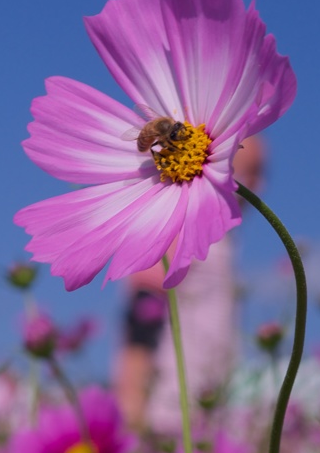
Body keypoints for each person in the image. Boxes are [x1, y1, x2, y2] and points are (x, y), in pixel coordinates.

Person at [112, 135, 267, 433]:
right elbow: (144, 309)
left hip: (209, 407)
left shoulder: (222, 238)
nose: (259, 186)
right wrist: (131, 400)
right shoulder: (178, 221)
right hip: (167, 410)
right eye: (252, 171)